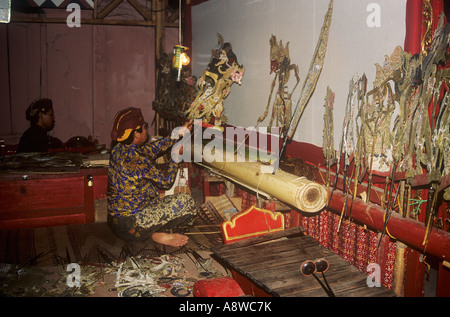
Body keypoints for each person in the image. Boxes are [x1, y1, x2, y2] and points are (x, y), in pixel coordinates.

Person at [107, 107, 197, 247]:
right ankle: (154, 234)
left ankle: (151, 231)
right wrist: (176, 156)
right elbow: (166, 182)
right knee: (187, 204)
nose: (146, 130)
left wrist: (176, 134)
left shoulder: (118, 149)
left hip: (115, 223)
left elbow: (151, 150)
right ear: (136, 133)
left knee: (153, 194)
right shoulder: (138, 160)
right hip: (133, 225)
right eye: (144, 127)